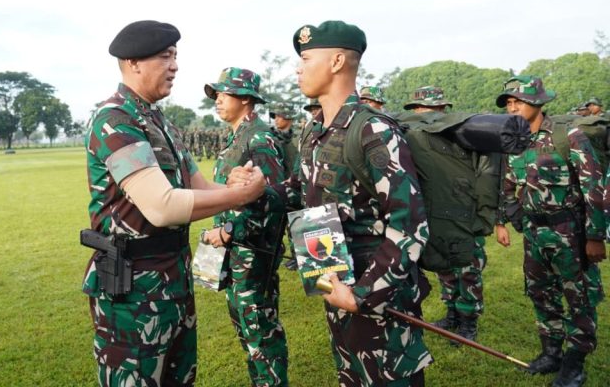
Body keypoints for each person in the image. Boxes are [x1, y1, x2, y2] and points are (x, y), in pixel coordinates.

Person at [236, 20, 433, 386]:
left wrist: (362, 294)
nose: (298, 67)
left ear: (338, 61)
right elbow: (298, 191)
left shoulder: (373, 129)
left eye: (306, 58)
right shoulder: (314, 130)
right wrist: (258, 190)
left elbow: (410, 225)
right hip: (334, 276)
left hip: (375, 291)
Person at [81, 20, 266, 386]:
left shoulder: (158, 120)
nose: (175, 66)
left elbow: (197, 185)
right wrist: (240, 196)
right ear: (134, 62)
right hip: (133, 290)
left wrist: (233, 184)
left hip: (172, 280)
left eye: (176, 56)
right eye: (166, 56)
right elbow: (162, 206)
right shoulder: (116, 120)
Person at [494, 75, 606, 387]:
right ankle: (551, 352)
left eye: (519, 101)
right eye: (509, 103)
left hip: (570, 232)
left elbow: (594, 188)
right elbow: (507, 184)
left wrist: (595, 236)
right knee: (541, 294)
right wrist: (505, 218)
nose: (513, 107)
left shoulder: (567, 136)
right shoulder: (513, 140)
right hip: (534, 234)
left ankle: (575, 362)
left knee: (579, 296)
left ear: (538, 103)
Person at [201, 66, 289, 387]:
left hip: (253, 251)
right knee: (245, 327)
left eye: (224, 94)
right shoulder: (238, 136)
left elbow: (273, 200)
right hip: (235, 251)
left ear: (246, 99)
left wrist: (227, 232)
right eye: (218, 95)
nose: (218, 100)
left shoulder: (259, 137)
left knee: (260, 330)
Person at [403, 86, 488, 345]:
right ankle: (452, 315)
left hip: (463, 214)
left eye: (431, 109)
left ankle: (468, 323)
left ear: (443, 110)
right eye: (420, 109)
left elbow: (484, 175)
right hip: (435, 213)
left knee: (468, 270)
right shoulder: (414, 136)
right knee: (443, 266)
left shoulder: (463, 135)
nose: (424, 114)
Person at [269, 103, 298, 178]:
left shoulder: (298, 140)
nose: (276, 119)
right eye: (275, 116)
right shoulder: (270, 137)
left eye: (279, 116)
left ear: (289, 118)